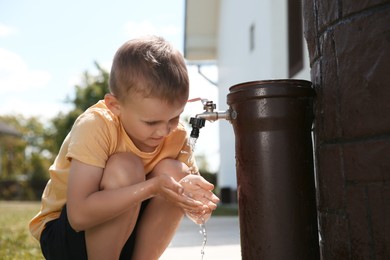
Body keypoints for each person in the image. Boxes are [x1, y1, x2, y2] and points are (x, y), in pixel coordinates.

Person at [29, 35, 220, 260]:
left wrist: (196, 200)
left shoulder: (175, 134)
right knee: (125, 165)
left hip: (128, 233)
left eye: (174, 117)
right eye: (151, 122)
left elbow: (193, 208)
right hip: (68, 236)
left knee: (177, 173)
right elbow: (78, 216)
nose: (163, 131)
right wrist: (152, 187)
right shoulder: (96, 125)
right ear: (115, 105)